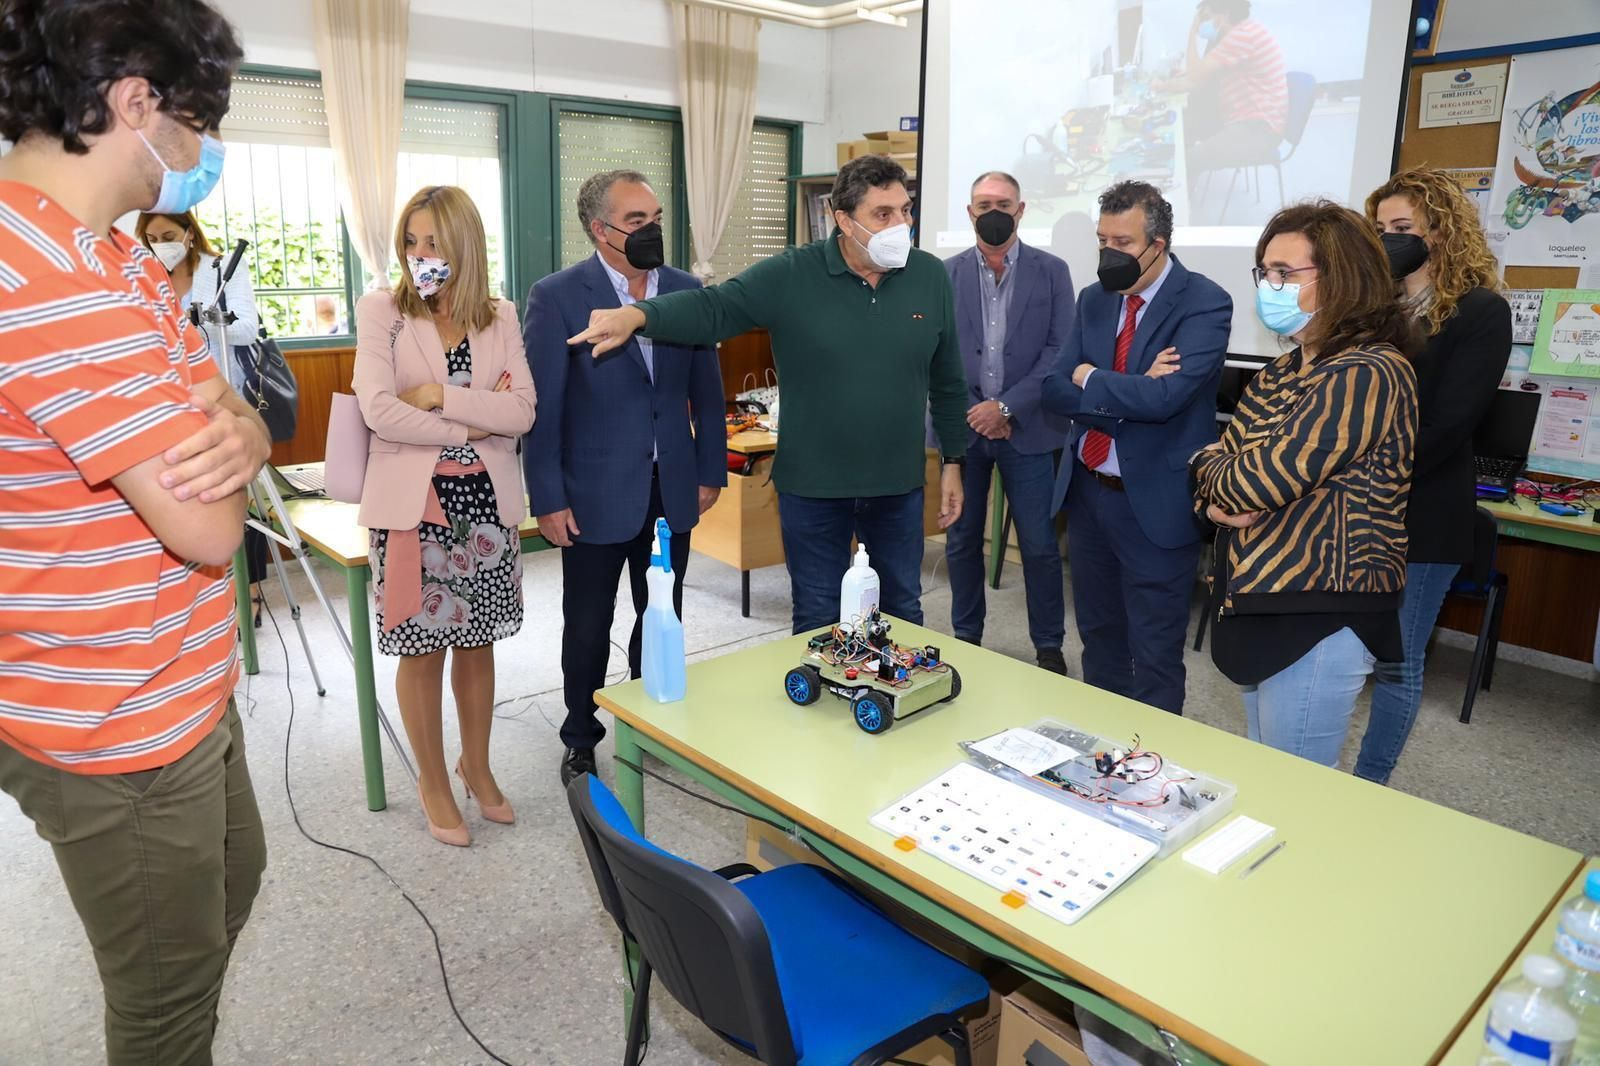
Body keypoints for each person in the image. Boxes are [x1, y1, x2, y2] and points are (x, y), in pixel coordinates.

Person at [0, 1, 272, 1061]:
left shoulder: (108, 257)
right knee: (164, 1001)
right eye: (200, 124)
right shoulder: (53, 284)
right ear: (135, 103)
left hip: (181, 673)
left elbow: (231, 406)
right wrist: (232, 442)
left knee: (232, 881)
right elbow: (209, 530)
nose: (203, 156)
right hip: (112, 710)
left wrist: (239, 430)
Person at [568, 154, 968, 635]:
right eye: (882, 214)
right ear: (843, 220)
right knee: (819, 617)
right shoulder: (793, 274)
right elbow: (713, 307)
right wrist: (638, 316)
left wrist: (954, 462)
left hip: (897, 486)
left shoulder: (928, 276)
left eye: (905, 210)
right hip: (814, 489)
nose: (900, 224)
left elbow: (948, 381)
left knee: (902, 610)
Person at [1191, 201, 1419, 767]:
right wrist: (1213, 490)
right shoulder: (1281, 371)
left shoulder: (1369, 371)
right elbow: (1218, 472)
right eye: (1265, 271)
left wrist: (1213, 476)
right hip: (1254, 597)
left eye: (1286, 274)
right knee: (1267, 775)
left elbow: (1251, 480)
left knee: (1296, 789)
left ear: (1341, 279)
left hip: (1319, 611)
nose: (1271, 286)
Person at [523, 170, 726, 786]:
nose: (651, 230)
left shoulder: (687, 291)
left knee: (660, 611)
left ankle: (648, 721)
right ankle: (581, 734)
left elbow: (708, 396)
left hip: (672, 486)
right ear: (599, 230)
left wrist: (709, 467)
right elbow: (544, 409)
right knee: (588, 623)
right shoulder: (557, 296)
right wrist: (548, 497)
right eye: (636, 221)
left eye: (656, 217)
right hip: (592, 494)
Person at [352, 185, 536, 846]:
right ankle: (433, 781)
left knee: (478, 642)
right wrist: (470, 421)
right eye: (410, 241)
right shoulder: (384, 313)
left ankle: (476, 767)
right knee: (423, 649)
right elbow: (378, 408)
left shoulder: (501, 316)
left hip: (484, 502)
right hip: (415, 508)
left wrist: (439, 398)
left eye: (433, 242)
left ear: (463, 247)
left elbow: (523, 413)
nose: (419, 255)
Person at [1041, 181, 1232, 715]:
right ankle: (1101, 758)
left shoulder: (1205, 301)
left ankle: (1150, 770)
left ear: (1159, 244)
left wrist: (1091, 378)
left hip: (1156, 502)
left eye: (1122, 243)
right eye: (1102, 240)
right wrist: (1124, 384)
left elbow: (1166, 398)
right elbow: (1054, 390)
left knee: (1154, 652)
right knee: (1099, 639)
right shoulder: (1093, 299)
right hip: (1088, 494)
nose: (1109, 255)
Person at [1354, 168, 1511, 785]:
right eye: (1380, 229)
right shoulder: (1372, 307)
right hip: (1356, 506)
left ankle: (1370, 782)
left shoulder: (1480, 311)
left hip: (1425, 509)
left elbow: (1449, 424)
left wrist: (1363, 466)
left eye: (1402, 229)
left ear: (1440, 232)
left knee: (1397, 660)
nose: (1388, 240)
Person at [942, 171, 1074, 674]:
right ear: (969, 211)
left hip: (1032, 426)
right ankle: (966, 636)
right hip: (964, 426)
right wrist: (978, 409)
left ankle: (1048, 646)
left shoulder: (1052, 271)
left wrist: (1006, 407)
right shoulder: (944, 273)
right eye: (983, 203)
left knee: (1040, 546)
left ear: (1021, 211)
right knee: (961, 540)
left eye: (1003, 203)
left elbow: (1059, 350)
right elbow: (940, 352)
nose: (992, 211)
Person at [1163, 0, 1287, 198]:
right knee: (1186, 126)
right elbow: (1203, 74)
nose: (1206, 22)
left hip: (1258, 130)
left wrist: (1192, 32)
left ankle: (1178, 215)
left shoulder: (1241, 36)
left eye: (1208, 16)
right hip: (1243, 120)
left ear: (1225, 13)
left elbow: (1196, 78)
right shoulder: (1244, 31)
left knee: (1188, 160)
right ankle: (1187, 193)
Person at [136, 207, 260, 368]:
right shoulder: (146, 277)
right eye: (152, 239)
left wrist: (194, 326)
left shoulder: (225, 268)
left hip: (224, 379)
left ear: (191, 233)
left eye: (169, 237)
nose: (161, 246)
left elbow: (247, 330)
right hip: (174, 382)